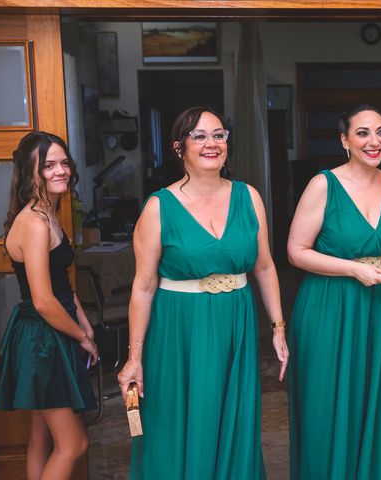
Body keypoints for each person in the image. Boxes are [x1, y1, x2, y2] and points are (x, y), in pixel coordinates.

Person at [117, 106, 289, 479]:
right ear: (179, 148)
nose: (211, 143)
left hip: (235, 324)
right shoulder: (158, 207)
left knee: (235, 422)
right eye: (199, 136)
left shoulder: (249, 197)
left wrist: (277, 326)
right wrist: (135, 357)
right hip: (180, 329)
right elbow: (143, 287)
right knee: (180, 421)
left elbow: (264, 266)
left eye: (219, 134)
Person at [287, 104, 381, 479]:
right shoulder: (324, 185)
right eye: (363, 133)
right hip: (330, 309)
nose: (374, 141)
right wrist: (353, 269)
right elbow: (295, 251)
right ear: (345, 140)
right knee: (334, 403)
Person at [0, 132, 99, 480]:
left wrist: (84, 321)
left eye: (64, 163)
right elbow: (43, 300)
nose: (61, 171)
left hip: (50, 331)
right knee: (74, 445)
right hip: (44, 338)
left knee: (39, 440)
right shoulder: (35, 223)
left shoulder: (49, 213)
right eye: (49, 165)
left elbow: (62, 284)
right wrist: (82, 336)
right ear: (30, 172)